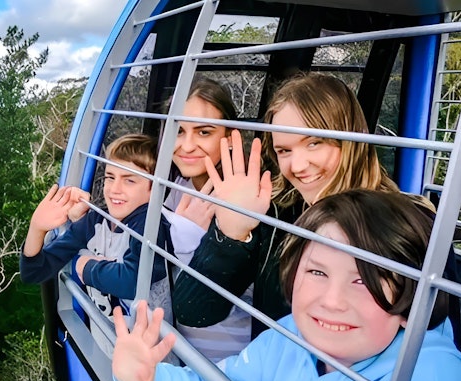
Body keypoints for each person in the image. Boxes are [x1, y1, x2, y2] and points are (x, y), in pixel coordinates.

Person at [113, 189, 461, 381]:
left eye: (362, 280)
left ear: (411, 298)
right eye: (316, 272)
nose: (332, 301)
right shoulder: (290, 336)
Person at [172, 72, 401, 336]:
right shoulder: (274, 212)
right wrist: (230, 234)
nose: (298, 166)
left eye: (314, 143)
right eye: (284, 151)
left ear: (350, 137)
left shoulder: (403, 221)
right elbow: (192, 311)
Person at [20, 133, 171, 322]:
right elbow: (34, 272)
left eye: (129, 180)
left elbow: (133, 282)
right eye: (110, 177)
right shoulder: (96, 222)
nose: (115, 189)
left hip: (148, 348)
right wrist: (37, 228)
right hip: (106, 342)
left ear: (154, 188)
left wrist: (86, 267)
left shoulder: (151, 225)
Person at [163, 77, 254, 363]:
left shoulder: (244, 199)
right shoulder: (178, 186)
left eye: (203, 132)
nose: (186, 146)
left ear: (229, 137)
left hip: (229, 361)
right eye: (178, 131)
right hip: (179, 351)